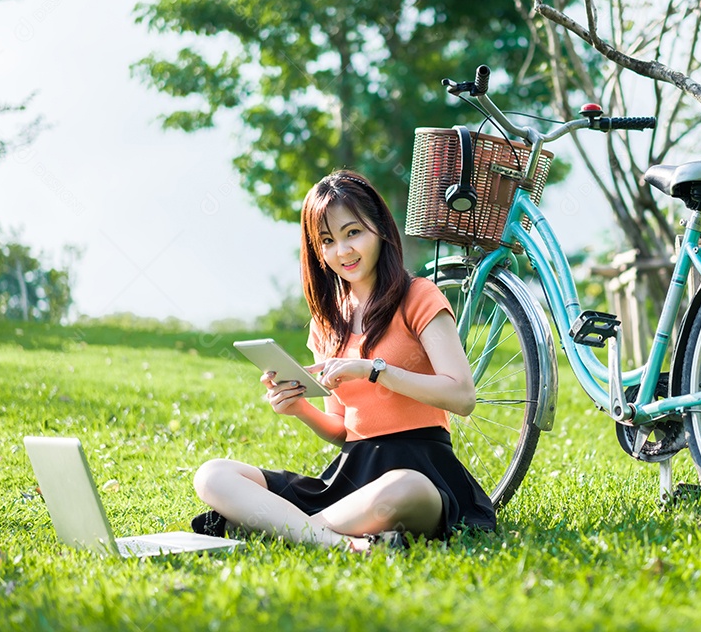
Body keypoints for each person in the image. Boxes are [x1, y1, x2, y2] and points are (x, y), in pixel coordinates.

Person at [192, 171, 495, 551]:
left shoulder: (420, 296)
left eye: (353, 233)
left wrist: (374, 371)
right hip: (349, 479)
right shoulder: (326, 322)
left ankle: (280, 529)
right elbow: (341, 428)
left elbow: (462, 395)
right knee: (212, 475)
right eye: (328, 241)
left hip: (420, 469)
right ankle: (337, 542)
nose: (343, 252)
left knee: (406, 489)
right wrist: (299, 407)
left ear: (380, 229)